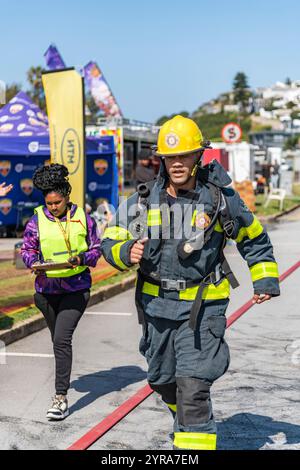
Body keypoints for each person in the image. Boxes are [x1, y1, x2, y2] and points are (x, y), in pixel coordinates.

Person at [101, 115, 280, 450]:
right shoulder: (142, 200)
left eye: (184, 155)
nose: (177, 163)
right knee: (162, 381)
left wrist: (265, 279)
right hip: (156, 309)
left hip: (203, 310)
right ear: (162, 159)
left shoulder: (220, 200)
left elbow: (254, 238)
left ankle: (192, 438)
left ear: (199, 156)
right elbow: (109, 240)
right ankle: (184, 420)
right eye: (171, 157)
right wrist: (126, 251)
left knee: (193, 388)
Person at [21, 164, 101, 420]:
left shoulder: (84, 218)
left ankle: (60, 398)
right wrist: (32, 262)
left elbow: (96, 249)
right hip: (45, 292)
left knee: (61, 341)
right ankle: (61, 387)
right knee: (59, 343)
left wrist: (80, 259)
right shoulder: (36, 221)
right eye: (49, 203)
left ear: (67, 196)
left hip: (75, 290)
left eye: (57, 202)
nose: (53, 207)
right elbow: (26, 250)